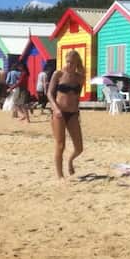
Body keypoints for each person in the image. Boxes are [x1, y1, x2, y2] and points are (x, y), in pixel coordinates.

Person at [48, 49, 86, 179]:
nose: (69, 65)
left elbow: (77, 97)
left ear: (77, 64)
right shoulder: (58, 74)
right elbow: (49, 94)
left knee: (79, 148)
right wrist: (56, 109)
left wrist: (78, 112)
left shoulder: (80, 77)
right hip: (59, 113)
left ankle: (70, 161)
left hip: (73, 113)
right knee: (60, 144)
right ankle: (60, 176)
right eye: (68, 62)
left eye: (72, 63)